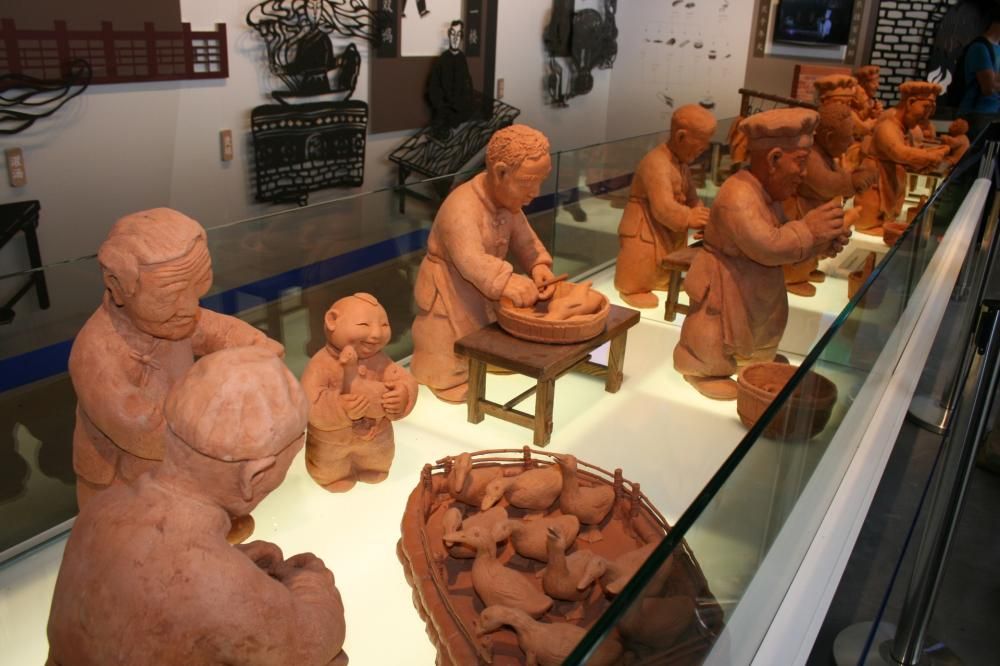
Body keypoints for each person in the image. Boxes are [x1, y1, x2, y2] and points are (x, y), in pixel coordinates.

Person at [47, 347, 348, 666]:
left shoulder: (101, 509)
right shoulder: (220, 585)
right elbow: (316, 639)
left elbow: (153, 588)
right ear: (254, 476)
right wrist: (310, 580)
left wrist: (239, 570)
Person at [69, 209, 283, 513]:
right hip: (120, 481)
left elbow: (221, 332)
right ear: (116, 285)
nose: (191, 307)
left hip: (179, 460)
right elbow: (142, 429)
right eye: (170, 296)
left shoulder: (175, 319)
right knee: (128, 535)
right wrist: (223, 434)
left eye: (201, 283)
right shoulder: (95, 354)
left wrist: (260, 353)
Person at [673, 108, 850, 400]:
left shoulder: (767, 195)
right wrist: (809, 231)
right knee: (713, 333)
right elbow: (768, 245)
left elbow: (782, 237)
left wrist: (822, 242)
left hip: (755, 285)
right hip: (726, 286)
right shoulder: (738, 195)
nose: (805, 173)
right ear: (774, 159)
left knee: (763, 328)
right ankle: (701, 369)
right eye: (800, 162)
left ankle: (753, 361)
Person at [411, 124, 557, 403]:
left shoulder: (509, 204)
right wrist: (507, 280)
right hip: (449, 287)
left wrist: (538, 265)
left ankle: (484, 359)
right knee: (445, 337)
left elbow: (526, 241)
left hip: (486, 286)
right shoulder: (461, 207)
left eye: (541, 181)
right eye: (528, 182)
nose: (535, 192)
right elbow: (470, 260)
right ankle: (443, 377)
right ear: (500, 172)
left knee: (487, 327)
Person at [301, 293, 418, 492]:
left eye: (384, 325)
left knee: (377, 458)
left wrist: (402, 393)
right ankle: (332, 477)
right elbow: (309, 401)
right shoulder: (320, 364)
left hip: (376, 436)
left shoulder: (381, 360)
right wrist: (340, 407)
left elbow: (403, 379)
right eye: (364, 325)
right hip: (332, 441)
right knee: (329, 466)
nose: (376, 333)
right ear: (332, 321)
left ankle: (372, 467)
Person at [614, 104, 716, 308]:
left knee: (666, 259)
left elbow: (692, 198)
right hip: (645, 224)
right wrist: (689, 217)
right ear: (681, 137)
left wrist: (704, 218)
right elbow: (663, 207)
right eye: (700, 143)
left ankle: (663, 281)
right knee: (641, 259)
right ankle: (632, 288)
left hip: (669, 227)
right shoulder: (656, 162)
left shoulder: (681, 164)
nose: (704, 149)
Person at [782, 103, 876, 296]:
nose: (851, 142)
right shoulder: (810, 156)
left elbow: (839, 177)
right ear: (829, 137)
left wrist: (852, 179)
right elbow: (827, 184)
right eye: (847, 137)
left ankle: (807, 270)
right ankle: (792, 278)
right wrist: (851, 182)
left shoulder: (825, 155)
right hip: (801, 213)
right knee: (801, 247)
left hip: (815, 210)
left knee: (814, 248)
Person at [854, 82, 950, 235]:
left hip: (889, 178)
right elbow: (900, 153)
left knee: (888, 213)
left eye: (931, 109)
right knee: (870, 212)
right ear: (910, 102)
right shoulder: (887, 126)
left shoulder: (904, 129)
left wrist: (927, 159)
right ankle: (869, 224)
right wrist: (930, 156)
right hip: (876, 178)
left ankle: (884, 221)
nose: (927, 116)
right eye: (925, 108)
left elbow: (910, 155)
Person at [426, 20, 476, 140]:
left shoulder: (462, 58)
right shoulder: (443, 59)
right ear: (449, 35)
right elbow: (433, 88)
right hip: (443, 113)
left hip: (459, 113)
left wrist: (464, 104)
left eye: (458, 35)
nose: (455, 38)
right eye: (453, 34)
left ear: (461, 38)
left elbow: (467, 85)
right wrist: (442, 107)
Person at [957, 5, 1000, 133]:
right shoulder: (980, 48)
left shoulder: (997, 48)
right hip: (976, 116)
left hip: (993, 113)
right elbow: (988, 88)